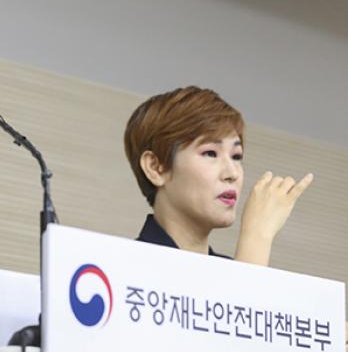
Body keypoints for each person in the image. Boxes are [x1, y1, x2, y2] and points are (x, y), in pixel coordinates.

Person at [124, 86, 312, 263]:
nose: (232, 174)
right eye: (210, 153)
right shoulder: (120, 266)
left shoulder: (232, 268)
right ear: (155, 167)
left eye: (236, 156)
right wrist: (256, 236)